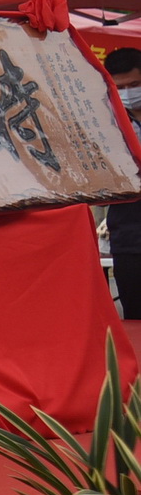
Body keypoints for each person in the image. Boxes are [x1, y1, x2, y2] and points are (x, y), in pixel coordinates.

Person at [106, 49, 141, 322]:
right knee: (134, 318)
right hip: (129, 237)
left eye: (134, 85)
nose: (128, 93)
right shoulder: (107, 122)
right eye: (121, 88)